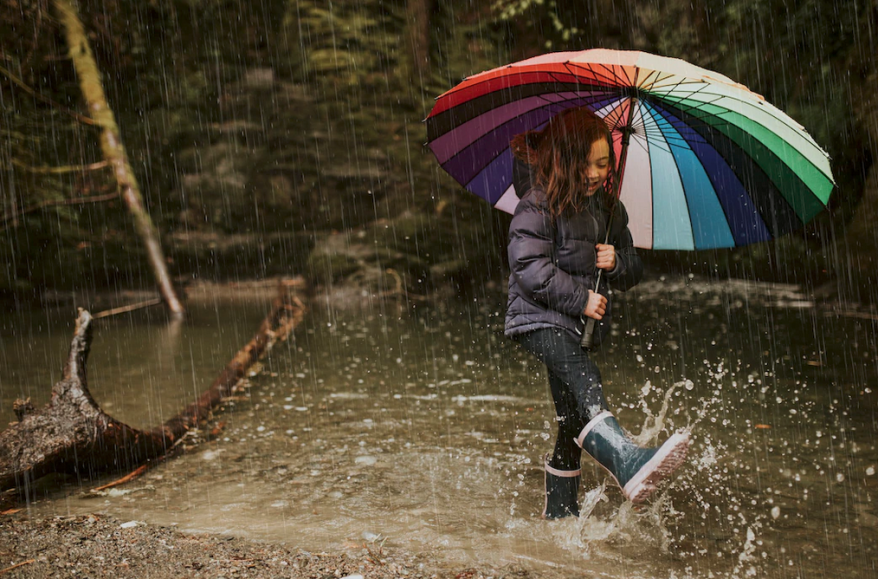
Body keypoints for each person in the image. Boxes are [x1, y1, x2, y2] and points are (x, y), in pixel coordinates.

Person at [504, 106, 690, 519]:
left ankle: (559, 517)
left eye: (603, 163)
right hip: (537, 320)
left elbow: (633, 269)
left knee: (571, 420)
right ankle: (626, 459)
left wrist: (617, 262)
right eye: (586, 163)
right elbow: (529, 268)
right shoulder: (537, 203)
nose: (594, 173)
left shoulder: (608, 209)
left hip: (574, 325)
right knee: (584, 378)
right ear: (566, 160)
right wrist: (582, 299)